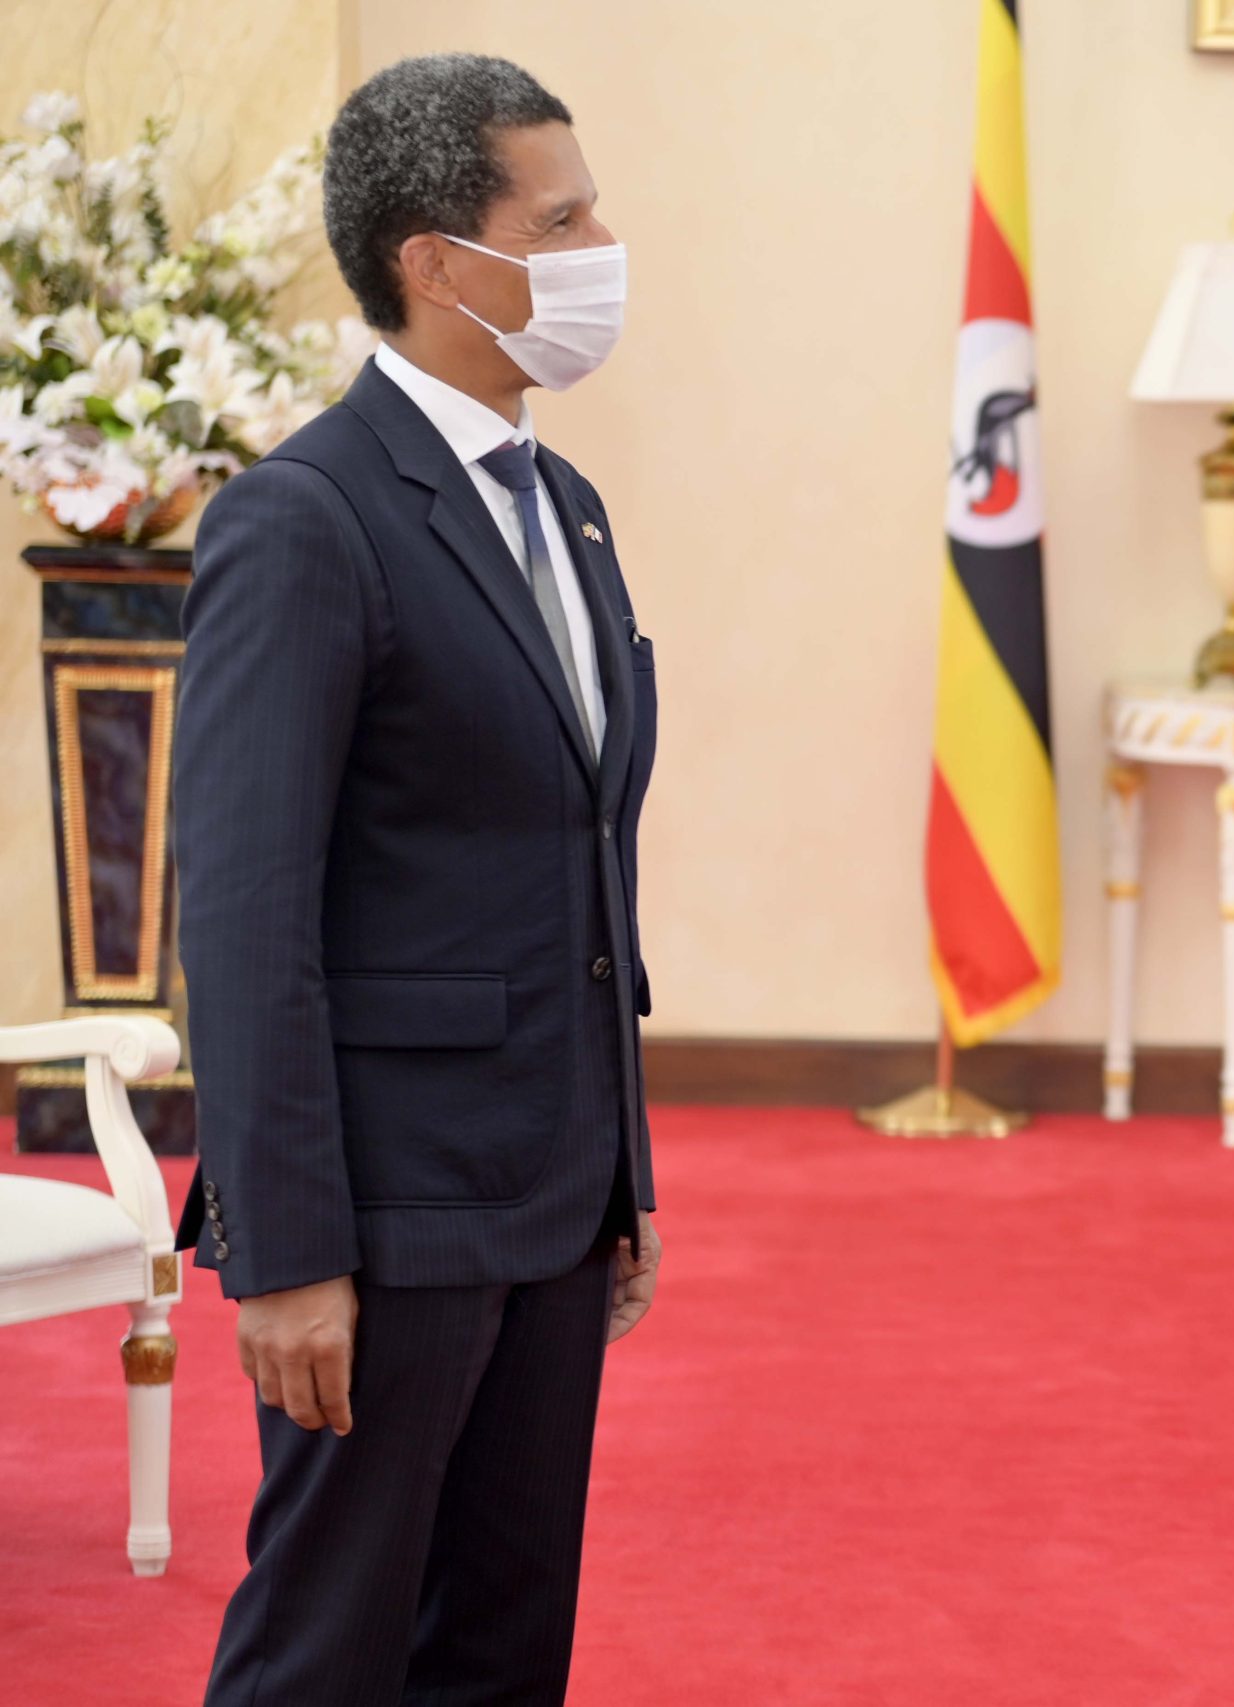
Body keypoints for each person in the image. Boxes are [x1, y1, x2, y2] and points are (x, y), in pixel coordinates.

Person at [175, 53, 662, 1705]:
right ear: (437, 263)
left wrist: (622, 1176)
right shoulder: (302, 521)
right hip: (384, 1218)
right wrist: (287, 1251)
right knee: (328, 1648)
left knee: (506, 1642)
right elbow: (241, 925)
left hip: (545, 1188)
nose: (606, 241)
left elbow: (578, 851)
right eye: (567, 214)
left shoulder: (567, 509)